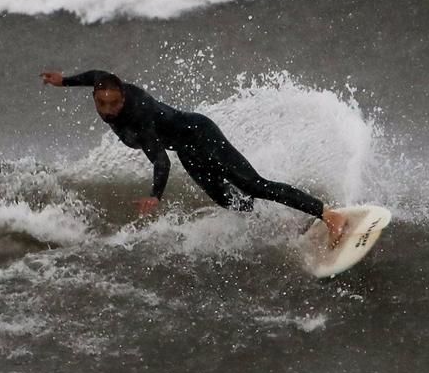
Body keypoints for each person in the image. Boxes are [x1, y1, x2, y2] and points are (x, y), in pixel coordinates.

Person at [43, 68, 348, 246]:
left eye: (113, 104)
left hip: (201, 134)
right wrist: (63, 81)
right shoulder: (105, 86)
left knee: (254, 184)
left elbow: (160, 161)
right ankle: (280, 222)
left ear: (123, 96)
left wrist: (155, 196)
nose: (107, 111)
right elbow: (95, 74)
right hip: (187, 149)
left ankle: (328, 213)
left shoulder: (139, 116)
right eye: (101, 104)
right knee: (226, 199)